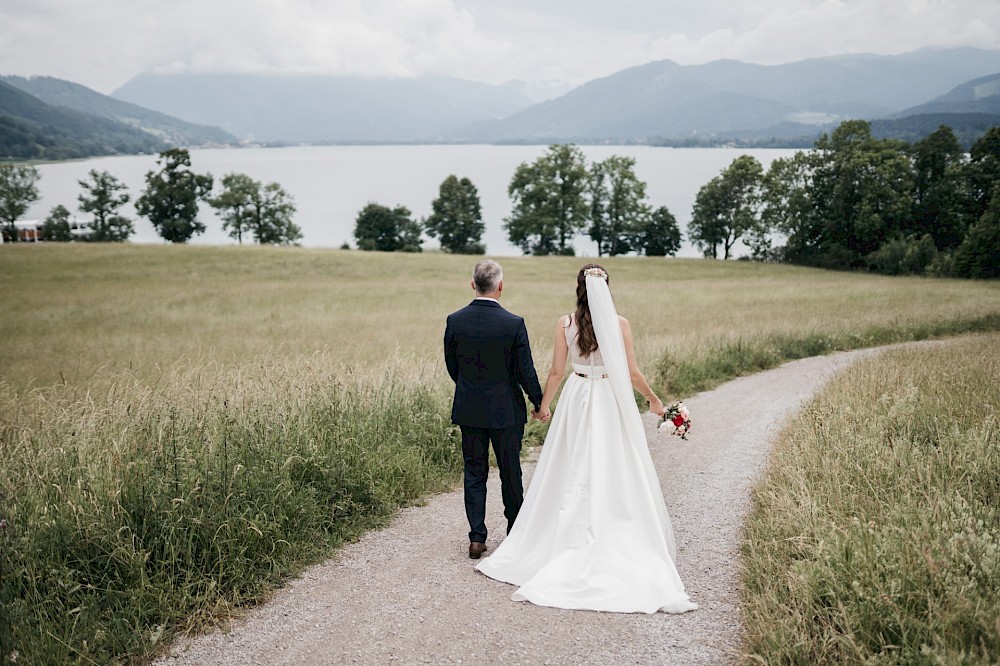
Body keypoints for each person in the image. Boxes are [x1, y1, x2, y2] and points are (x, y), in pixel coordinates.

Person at [475, 263, 698, 614]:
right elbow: (632, 372)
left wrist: (543, 407)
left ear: (578, 288)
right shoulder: (619, 324)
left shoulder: (565, 324)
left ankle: (563, 536)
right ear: (606, 288)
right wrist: (653, 399)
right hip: (608, 397)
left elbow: (556, 372)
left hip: (577, 398)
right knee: (613, 462)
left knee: (572, 462)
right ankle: (612, 526)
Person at [444, 260, 544, 559]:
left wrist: (469, 387)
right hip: (506, 411)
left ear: (472, 284)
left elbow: (453, 366)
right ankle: (515, 531)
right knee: (509, 470)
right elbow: (524, 370)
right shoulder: (513, 323)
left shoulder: (455, 320)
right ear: (500, 286)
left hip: (470, 407)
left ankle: (477, 538)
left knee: (474, 471)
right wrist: (537, 400)